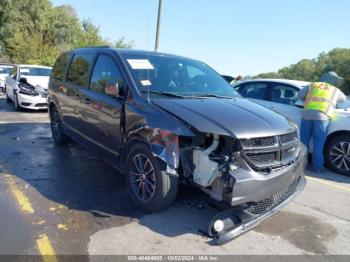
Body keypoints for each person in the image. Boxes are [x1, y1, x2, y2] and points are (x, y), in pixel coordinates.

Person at [298, 71, 346, 172]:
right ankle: (318, 167)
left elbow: (300, 95)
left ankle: (301, 166)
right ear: (333, 81)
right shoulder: (335, 90)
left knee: (303, 142)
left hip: (307, 115)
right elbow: (343, 99)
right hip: (322, 117)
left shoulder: (312, 85)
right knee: (318, 143)